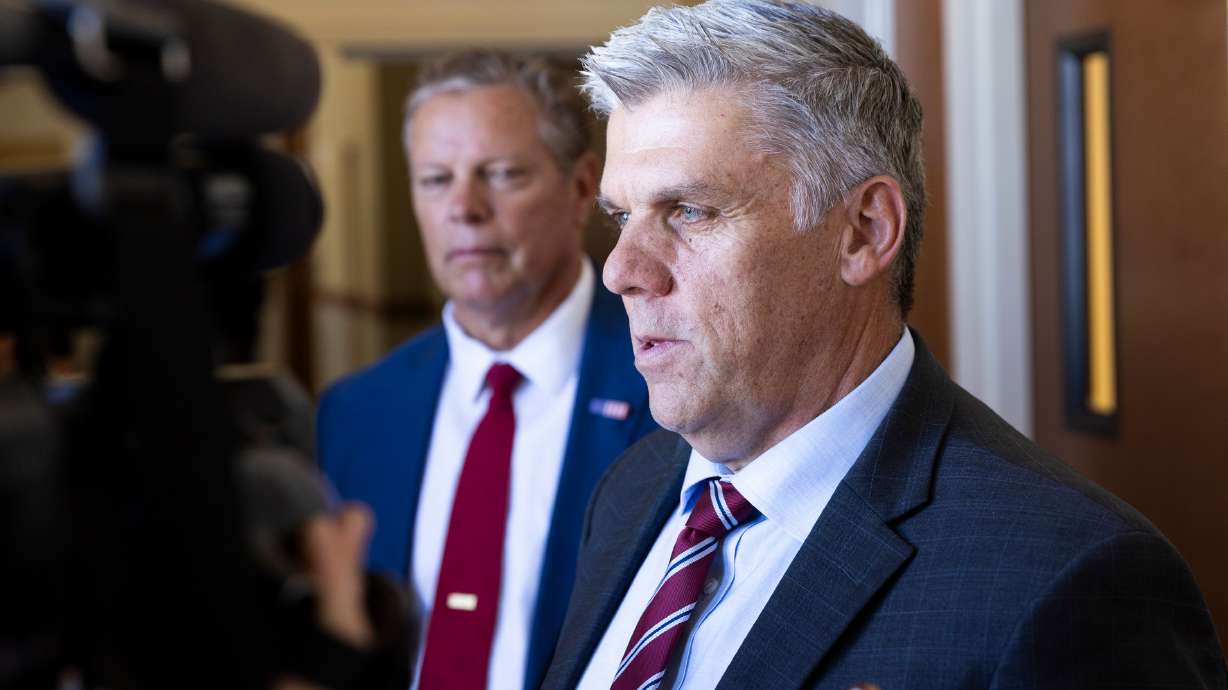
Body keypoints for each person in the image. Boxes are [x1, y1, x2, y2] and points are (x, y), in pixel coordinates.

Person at [542, 2, 1228, 689]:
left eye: (689, 211)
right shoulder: (633, 488)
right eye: (623, 217)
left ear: (865, 232)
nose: (622, 270)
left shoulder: (1071, 579)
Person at [316, 51, 657, 690]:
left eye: (499, 174)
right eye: (435, 179)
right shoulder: (356, 411)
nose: (464, 208)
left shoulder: (672, 394)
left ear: (583, 187)